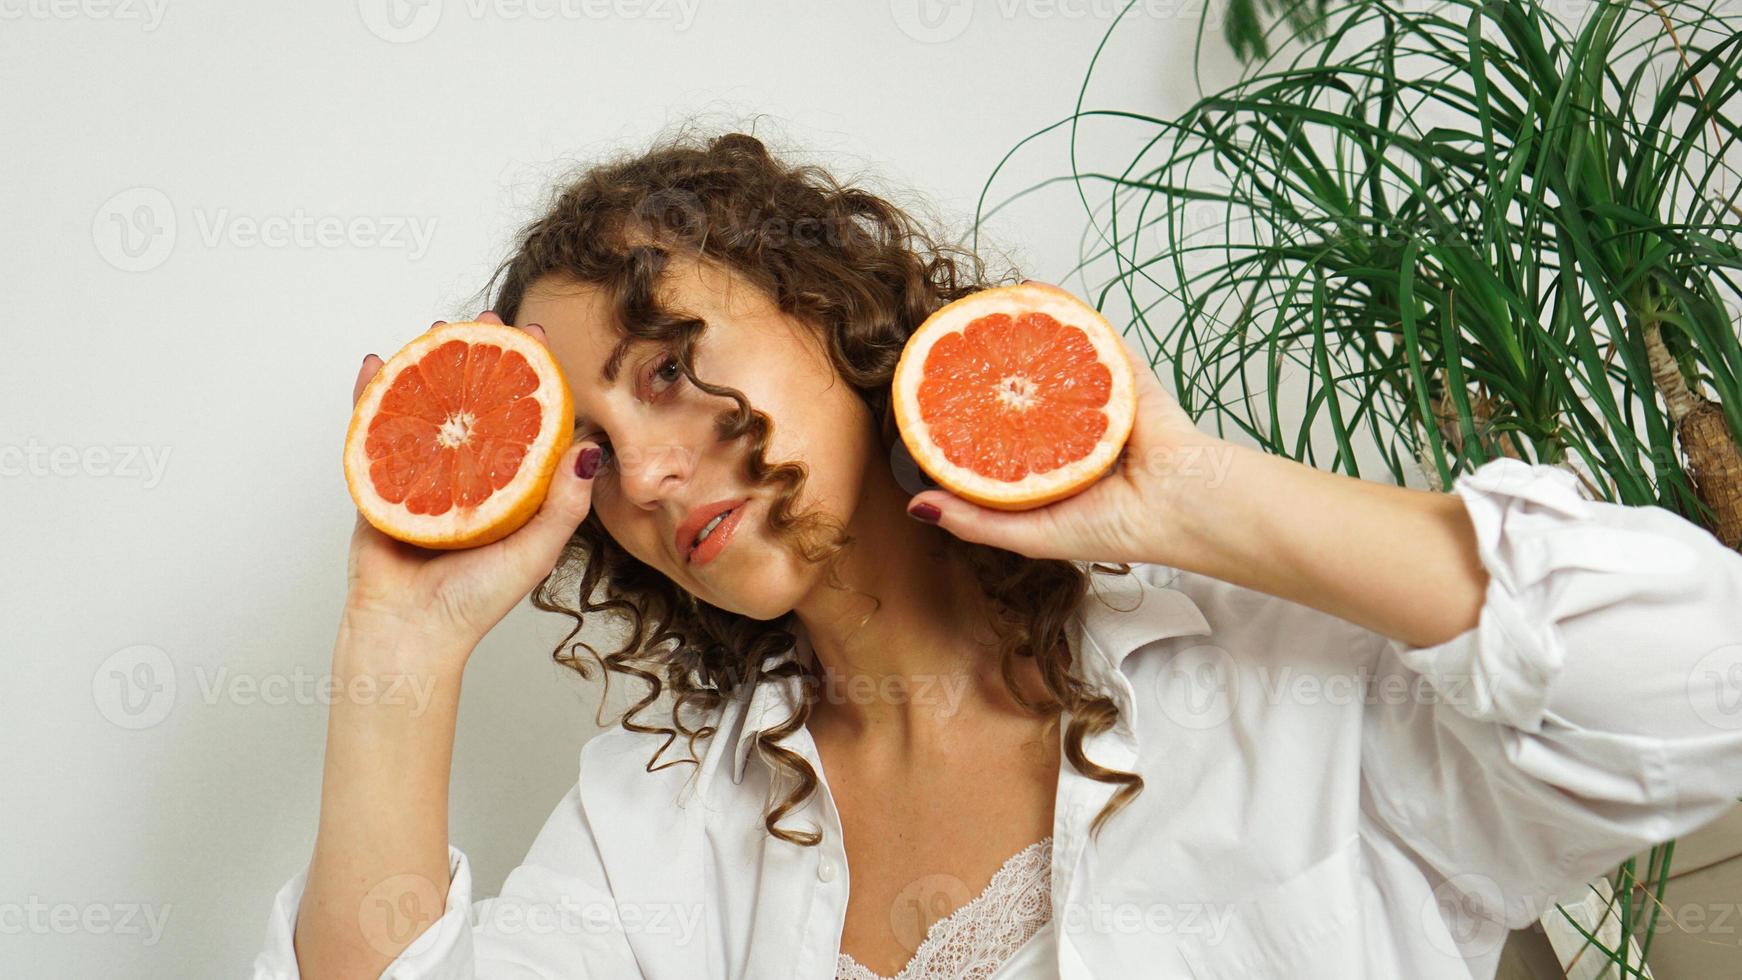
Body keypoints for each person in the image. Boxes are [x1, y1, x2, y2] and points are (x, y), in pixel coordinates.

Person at [253, 130, 1742, 980]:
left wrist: (1191, 498)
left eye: (666, 365)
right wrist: (403, 640)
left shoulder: (1276, 668)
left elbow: (1700, 685)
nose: (642, 473)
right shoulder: (662, 819)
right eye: (586, 446)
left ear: (837, 318)